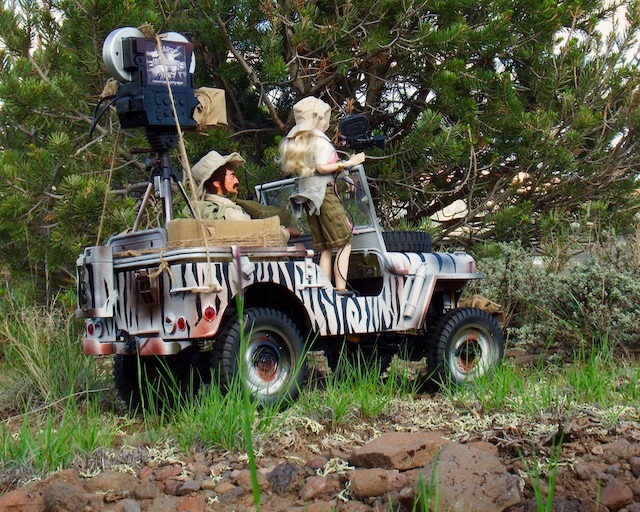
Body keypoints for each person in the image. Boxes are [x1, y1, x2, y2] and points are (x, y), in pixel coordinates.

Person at [279, 96, 365, 296]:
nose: (327, 122)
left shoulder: (304, 142)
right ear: (318, 119)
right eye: (325, 118)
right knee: (344, 242)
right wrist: (348, 163)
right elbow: (321, 167)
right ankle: (340, 289)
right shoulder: (320, 141)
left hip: (311, 199)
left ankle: (324, 290)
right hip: (324, 196)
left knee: (325, 248)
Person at [187, 150, 300, 238]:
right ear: (216, 183)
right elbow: (258, 235)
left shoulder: (203, 209)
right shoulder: (227, 211)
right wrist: (286, 232)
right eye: (232, 176)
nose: (237, 181)